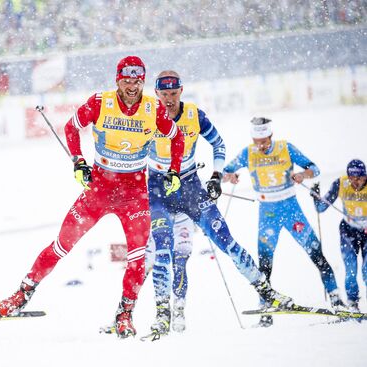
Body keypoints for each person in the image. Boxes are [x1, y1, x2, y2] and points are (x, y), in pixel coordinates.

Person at [0, 56, 186, 339]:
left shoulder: (152, 108)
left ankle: (124, 314)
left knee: (137, 259)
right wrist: (78, 162)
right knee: (61, 246)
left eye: (137, 81)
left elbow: (177, 137)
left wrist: (174, 172)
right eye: (126, 80)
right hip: (99, 190)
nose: (132, 87)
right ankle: (22, 294)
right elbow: (71, 128)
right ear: (117, 80)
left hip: (133, 195)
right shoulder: (100, 102)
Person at [146, 71, 293, 335]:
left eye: (173, 94)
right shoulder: (146, 115)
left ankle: (266, 292)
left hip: (190, 186)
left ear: (181, 91)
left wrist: (215, 176)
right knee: (163, 249)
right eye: (164, 94)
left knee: (226, 240)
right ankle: (162, 313)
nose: (168, 100)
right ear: (156, 94)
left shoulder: (193, 115)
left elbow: (219, 144)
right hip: (158, 189)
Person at [223, 117, 345, 327]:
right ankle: (266, 309)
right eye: (257, 140)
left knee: (315, 253)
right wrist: (231, 176)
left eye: (264, 140)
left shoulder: (285, 148)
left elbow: (314, 168)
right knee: (265, 264)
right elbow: (226, 172)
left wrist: (302, 174)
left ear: (271, 135)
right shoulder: (248, 152)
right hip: (267, 213)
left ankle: (337, 300)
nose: (261, 145)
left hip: (291, 210)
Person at [311, 159, 367, 312]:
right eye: (352, 177)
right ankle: (353, 302)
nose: (356, 181)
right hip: (349, 231)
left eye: (360, 177)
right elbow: (321, 207)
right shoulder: (341, 183)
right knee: (350, 270)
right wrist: (316, 197)